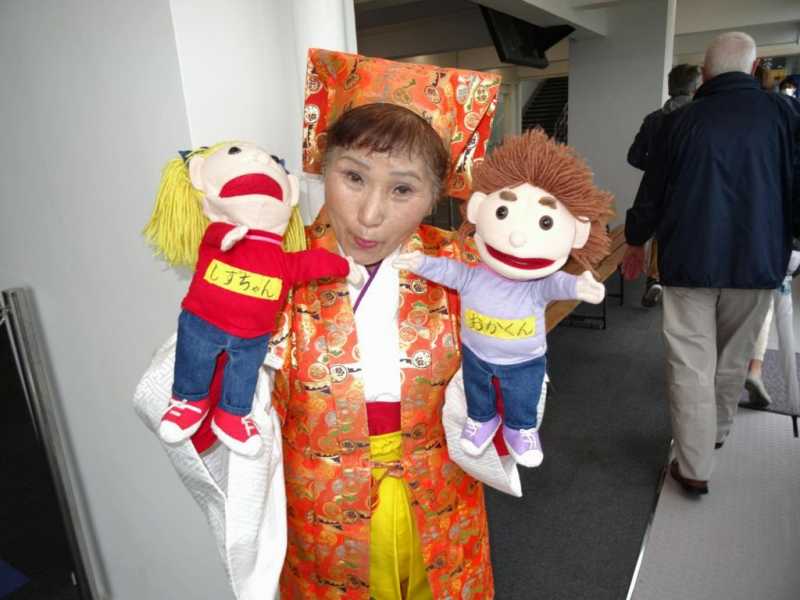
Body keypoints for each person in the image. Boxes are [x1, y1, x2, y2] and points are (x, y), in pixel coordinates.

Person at [135, 49, 504, 600]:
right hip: (321, 515)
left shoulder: (465, 269)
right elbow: (201, 380)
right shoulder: (276, 265)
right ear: (321, 170)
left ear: (434, 196)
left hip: (442, 501)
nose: (370, 215)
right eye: (353, 176)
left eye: (402, 189)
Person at [622, 32, 800, 496]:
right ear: (755, 66)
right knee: (733, 357)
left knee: (690, 363)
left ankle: (694, 463)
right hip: (758, 261)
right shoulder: (785, 114)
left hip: (689, 260)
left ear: (704, 73)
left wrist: (636, 240)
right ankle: (717, 431)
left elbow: (652, 190)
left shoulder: (678, 121)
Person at [627, 64, 702, 308]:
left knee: (660, 231)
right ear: (695, 87)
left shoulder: (653, 120)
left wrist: (657, 169)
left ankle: (655, 279)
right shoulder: (702, 119)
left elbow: (634, 157)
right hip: (693, 191)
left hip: (657, 192)